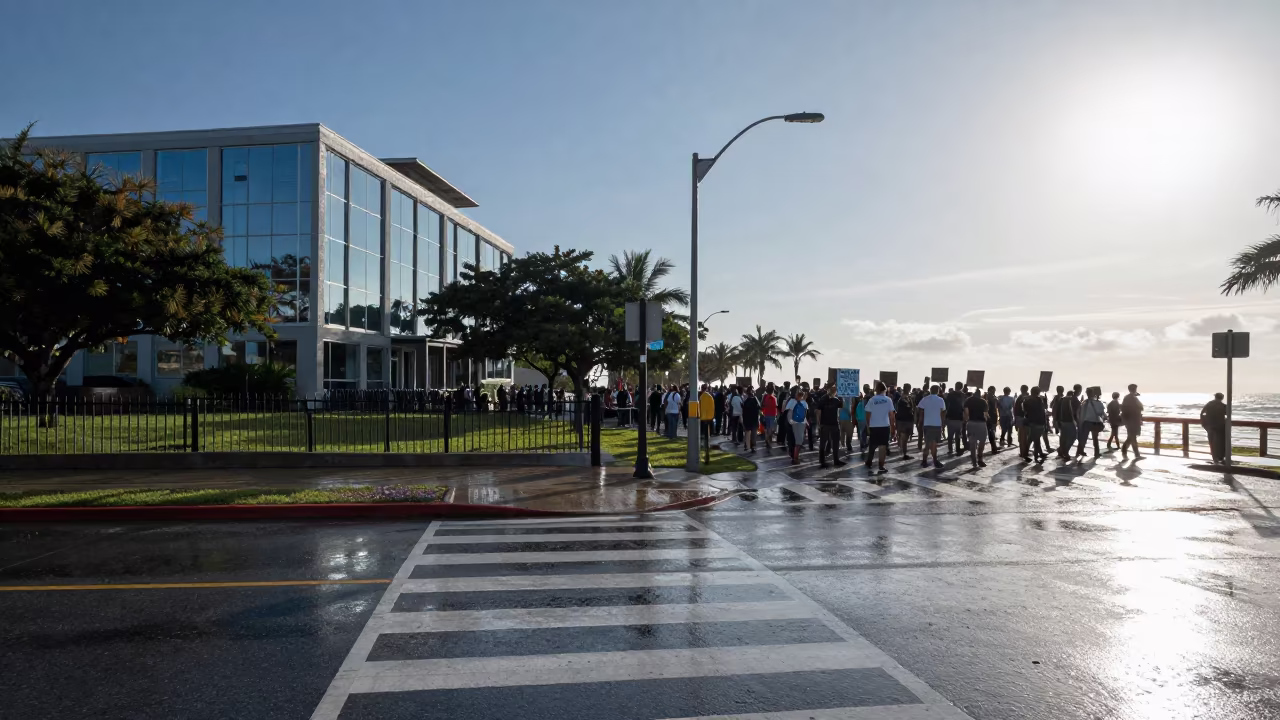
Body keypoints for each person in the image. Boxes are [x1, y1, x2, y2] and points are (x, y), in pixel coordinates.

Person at [863, 382, 896, 472]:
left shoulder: (872, 400)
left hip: (874, 426)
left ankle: (869, 462)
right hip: (885, 426)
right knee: (883, 447)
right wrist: (893, 428)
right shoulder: (888, 400)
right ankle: (881, 465)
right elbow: (891, 416)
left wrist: (868, 426)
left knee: (872, 445)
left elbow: (868, 415)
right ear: (885, 390)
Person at [915, 384, 947, 469]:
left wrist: (919, 422)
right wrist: (943, 425)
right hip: (937, 424)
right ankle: (935, 460)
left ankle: (924, 461)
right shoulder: (941, 400)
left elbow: (921, 412)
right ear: (937, 391)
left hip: (927, 424)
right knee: (934, 444)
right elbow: (942, 413)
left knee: (927, 444)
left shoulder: (925, 399)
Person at [963, 388, 991, 468]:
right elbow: (985, 415)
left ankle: (974, 462)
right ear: (981, 394)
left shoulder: (968, 400)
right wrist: (988, 419)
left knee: (972, 443)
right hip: (981, 424)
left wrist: (966, 421)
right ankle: (980, 458)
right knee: (982, 442)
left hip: (971, 423)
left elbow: (966, 413)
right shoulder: (983, 401)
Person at [1076, 387, 1107, 459]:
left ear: (1087, 394)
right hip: (1094, 422)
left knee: (1083, 438)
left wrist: (1080, 423)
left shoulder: (1084, 402)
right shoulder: (1098, 403)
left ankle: (1079, 452)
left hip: (1086, 422)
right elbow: (1101, 413)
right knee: (1095, 439)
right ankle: (1096, 453)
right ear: (1093, 394)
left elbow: (1081, 414)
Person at [1023, 386, 1050, 463]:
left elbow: (1025, 412)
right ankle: (1035, 456)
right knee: (1036, 440)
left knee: (1031, 439)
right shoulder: (1039, 400)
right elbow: (1043, 409)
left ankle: (1027, 455)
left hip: (1031, 422)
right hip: (1039, 422)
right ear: (1037, 392)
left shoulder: (1026, 400)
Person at [1201, 392, 1228, 463]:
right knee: (1221, 443)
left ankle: (1215, 458)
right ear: (1222, 398)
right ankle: (1221, 458)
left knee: (1212, 443)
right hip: (1221, 427)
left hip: (1210, 426)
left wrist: (1204, 424)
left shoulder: (1209, 404)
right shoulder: (1223, 406)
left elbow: (1202, 413)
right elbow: (1228, 414)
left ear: (1215, 397)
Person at [1056, 386, 1081, 460]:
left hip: (1062, 421)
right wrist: (1078, 422)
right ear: (1079, 390)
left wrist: (1057, 420)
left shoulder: (1063, 398)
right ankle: (1065, 451)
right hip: (1070, 421)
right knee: (1073, 437)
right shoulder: (1075, 400)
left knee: (1063, 437)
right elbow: (1076, 413)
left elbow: (1057, 409)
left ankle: (1061, 450)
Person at [1120, 384, 1144, 459]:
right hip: (1131, 421)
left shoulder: (1131, 397)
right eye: (1134, 389)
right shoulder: (1130, 398)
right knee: (1132, 437)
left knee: (1132, 437)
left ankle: (1133, 453)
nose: (1135, 390)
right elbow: (1138, 408)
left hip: (1133, 420)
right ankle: (1130, 452)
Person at [785, 389, 809, 465]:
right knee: (798, 441)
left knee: (795, 441)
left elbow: (788, 413)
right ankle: (795, 458)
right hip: (800, 423)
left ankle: (794, 456)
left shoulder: (792, 401)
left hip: (794, 423)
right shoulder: (804, 403)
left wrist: (791, 422)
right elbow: (805, 414)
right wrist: (806, 422)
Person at [945, 382, 965, 456]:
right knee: (958, 435)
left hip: (950, 417)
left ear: (955, 386)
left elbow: (946, 406)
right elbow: (964, 407)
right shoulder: (963, 395)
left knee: (950, 436)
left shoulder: (950, 395)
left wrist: (945, 417)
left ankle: (950, 449)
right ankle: (957, 449)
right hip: (959, 418)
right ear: (961, 387)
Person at [895, 388, 915, 461]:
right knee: (905, 439)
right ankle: (904, 453)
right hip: (906, 421)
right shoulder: (905, 400)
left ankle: (903, 451)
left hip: (902, 420)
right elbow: (910, 409)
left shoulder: (901, 399)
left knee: (903, 438)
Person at [741, 386, 761, 453]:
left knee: (751, 434)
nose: (752, 392)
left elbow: (759, 407)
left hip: (752, 419)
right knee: (750, 434)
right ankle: (750, 446)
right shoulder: (747, 400)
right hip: (750, 419)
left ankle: (750, 446)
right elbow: (759, 407)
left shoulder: (748, 400)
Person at [761, 383, 779, 453]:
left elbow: (762, 405)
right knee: (770, 429)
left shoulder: (765, 396)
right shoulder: (774, 398)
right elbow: (776, 406)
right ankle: (768, 440)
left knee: (768, 428)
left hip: (766, 413)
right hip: (772, 414)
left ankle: (767, 440)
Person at [984, 386, 1000, 450]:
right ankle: (994, 447)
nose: (994, 392)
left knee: (992, 431)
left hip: (992, 416)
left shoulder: (991, 397)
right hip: (990, 416)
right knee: (991, 432)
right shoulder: (989, 397)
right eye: (993, 391)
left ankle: (994, 446)